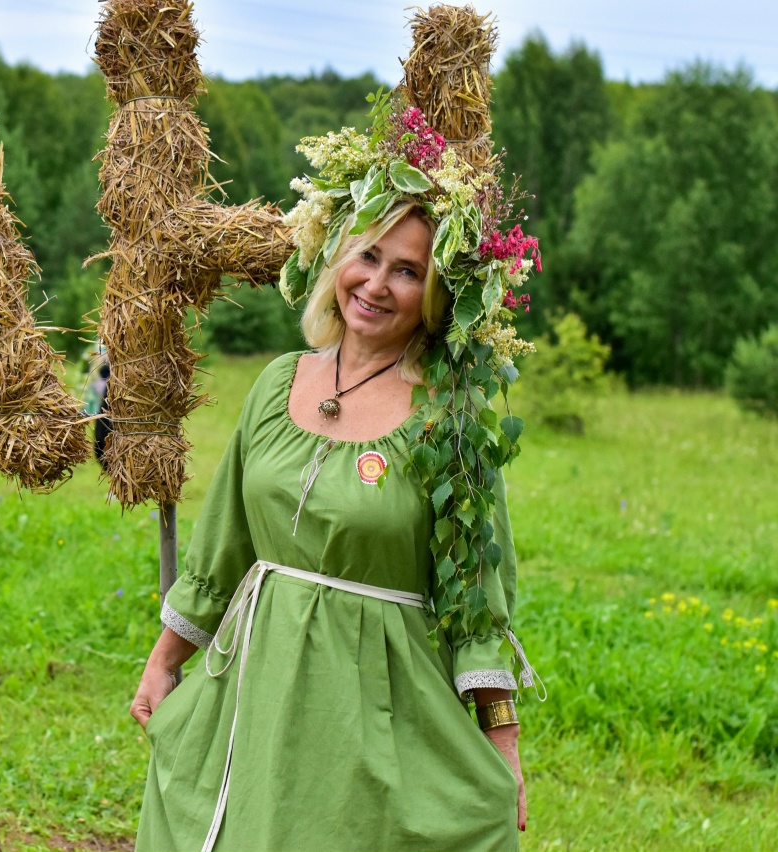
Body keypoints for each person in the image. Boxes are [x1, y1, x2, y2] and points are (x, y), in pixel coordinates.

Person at [131, 103, 541, 852]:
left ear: (438, 296)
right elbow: (221, 546)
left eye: (408, 271)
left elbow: (476, 597)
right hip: (254, 687)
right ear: (338, 260)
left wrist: (503, 746)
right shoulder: (278, 381)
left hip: (378, 701)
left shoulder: (448, 418)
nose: (377, 285)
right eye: (369, 256)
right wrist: (164, 665)